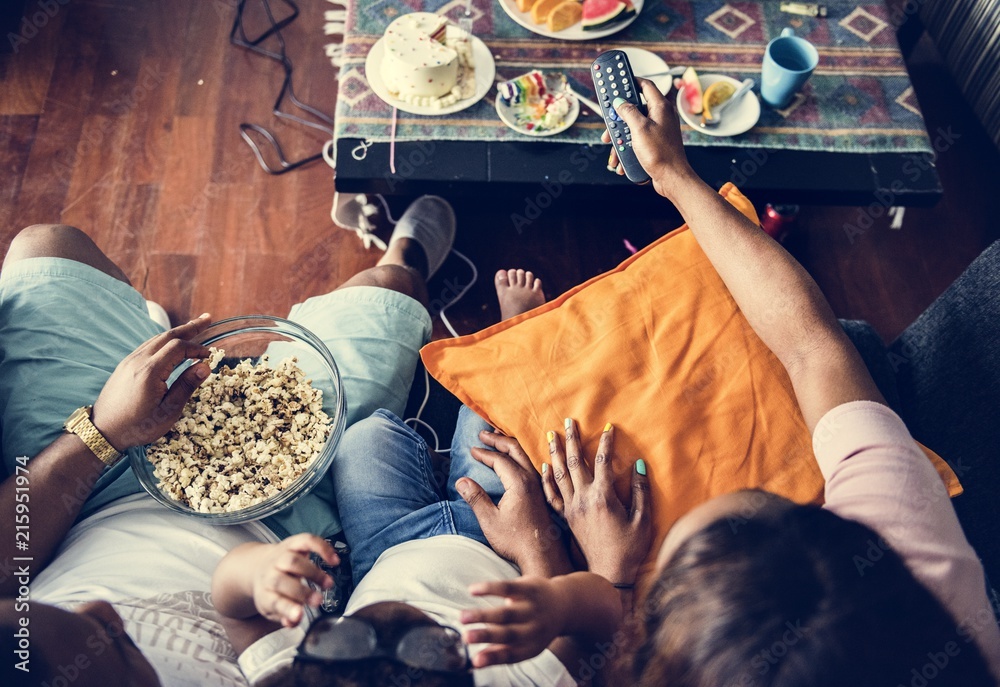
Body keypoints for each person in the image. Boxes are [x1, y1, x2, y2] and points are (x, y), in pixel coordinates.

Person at [590, 82, 1000, 683]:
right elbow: (812, 346)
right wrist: (676, 176)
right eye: (802, 511)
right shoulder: (904, 538)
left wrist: (605, 578)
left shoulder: (909, 579)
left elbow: (815, 349)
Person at [0, 195, 464, 686]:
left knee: (47, 244)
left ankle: (139, 329)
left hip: (86, 500)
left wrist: (104, 430)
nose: (103, 608)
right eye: (115, 639)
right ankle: (403, 260)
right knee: (388, 286)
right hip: (286, 521)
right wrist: (269, 575)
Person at [210, 269, 653, 686]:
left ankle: (445, 448)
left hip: (385, 548)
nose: (401, 612)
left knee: (363, 439)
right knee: (491, 424)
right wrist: (542, 568)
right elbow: (600, 622)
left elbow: (234, 609)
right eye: (438, 644)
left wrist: (256, 575)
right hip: (505, 550)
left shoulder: (285, 674)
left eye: (342, 635)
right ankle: (513, 328)